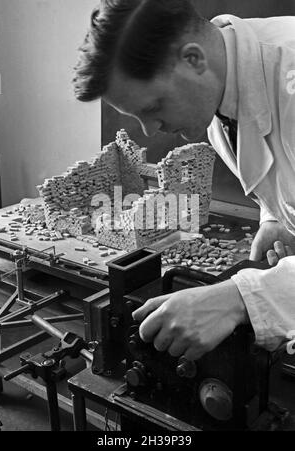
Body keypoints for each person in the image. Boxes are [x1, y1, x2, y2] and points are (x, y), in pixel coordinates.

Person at [73, 0, 295, 360]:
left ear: (193, 60)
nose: (150, 130)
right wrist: (276, 218)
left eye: (153, 108)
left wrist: (239, 299)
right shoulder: (220, 94)